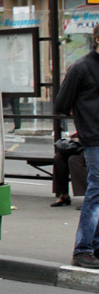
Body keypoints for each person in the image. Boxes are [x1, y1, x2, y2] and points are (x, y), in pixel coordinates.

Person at [54, 23, 99, 269]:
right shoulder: (81, 67)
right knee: (96, 192)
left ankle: (95, 247)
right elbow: (61, 103)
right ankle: (83, 249)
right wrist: (85, 122)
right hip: (94, 139)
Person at [51, 136, 88, 207]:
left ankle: (90, 197)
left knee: (74, 160)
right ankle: (64, 195)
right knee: (59, 157)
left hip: (93, 146)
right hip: (82, 145)